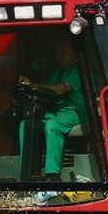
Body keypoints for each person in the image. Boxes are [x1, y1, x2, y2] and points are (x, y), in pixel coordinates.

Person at [19, 40, 86, 177]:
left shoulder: (79, 71)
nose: (60, 57)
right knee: (26, 124)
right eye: (58, 54)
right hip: (57, 112)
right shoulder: (57, 72)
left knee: (52, 125)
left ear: (74, 55)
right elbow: (47, 91)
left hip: (78, 112)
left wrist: (34, 85)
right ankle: (27, 172)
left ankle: (52, 174)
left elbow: (61, 89)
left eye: (64, 53)